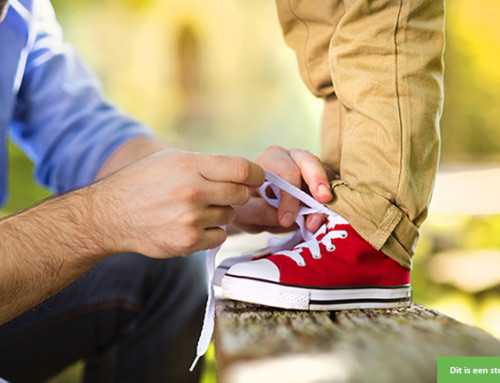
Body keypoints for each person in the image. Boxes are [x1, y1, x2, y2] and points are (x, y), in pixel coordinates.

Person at [0, 0, 332, 382]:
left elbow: (88, 135)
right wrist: (104, 216)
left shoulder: (20, 12)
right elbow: (108, 208)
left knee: (169, 266)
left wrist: (237, 186)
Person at [221, 0, 445, 309]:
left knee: (378, 16)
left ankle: (372, 235)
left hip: (380, 234)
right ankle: (339, 216)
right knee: (323, 29)